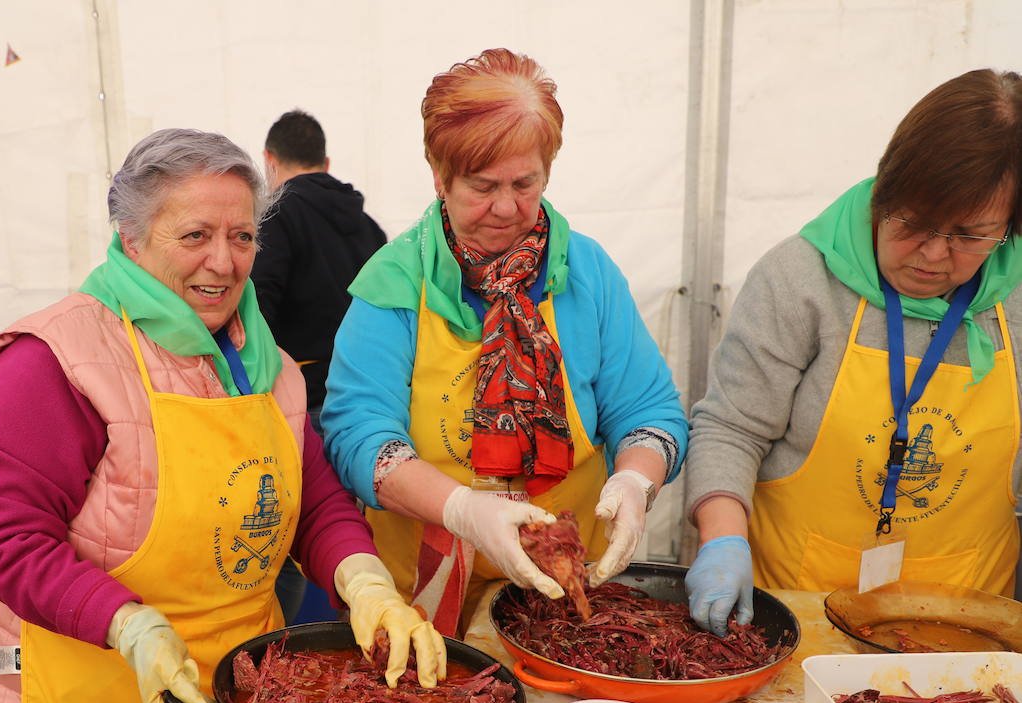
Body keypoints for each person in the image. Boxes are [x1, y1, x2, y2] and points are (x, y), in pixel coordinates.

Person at [0, 129, 446, 703]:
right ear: (131, 238)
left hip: (232, 701)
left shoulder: (259, 353)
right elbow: (5, 545)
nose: (225, 261)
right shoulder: (53, 361)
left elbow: (313, 499)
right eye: (194, 235)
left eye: (242, 236)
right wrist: (131, 627)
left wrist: (362, 578)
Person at [322, 49, 687, 637]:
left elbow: (648, 410)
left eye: (526, 183)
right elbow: (357, 434)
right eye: (482, 186)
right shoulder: (393, 283)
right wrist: (462, 509)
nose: (507, 208)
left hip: (568, 588)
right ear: (439, 176)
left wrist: (636, 480)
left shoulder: (588, 274)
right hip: (423, 593)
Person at [685, 69, 1022, 635]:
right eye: (912, 222)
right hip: (792, 611)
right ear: (882, 191)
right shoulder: (800, 279)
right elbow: (732, 428)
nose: (934, 254)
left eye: (970, 235)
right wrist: (721, 541)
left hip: (963, 626)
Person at [253, 109, 387, 622]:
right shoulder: (369, 228)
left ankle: (279, 658)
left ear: (269, 160)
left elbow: (255, 309)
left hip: (300, 411)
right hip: (368, 418)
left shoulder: (277, 216)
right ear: (326, 162)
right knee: (350, 540)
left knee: (280, 545)